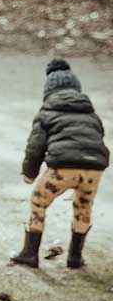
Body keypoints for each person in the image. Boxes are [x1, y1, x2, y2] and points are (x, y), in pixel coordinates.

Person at [12, 59, 108, 269]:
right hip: (94, 169)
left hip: (63, 168)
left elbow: (35, 147)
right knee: (83, 207)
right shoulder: (91, 114)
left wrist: (30, 173)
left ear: (48, 92)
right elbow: (98, 138)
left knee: (39, 201)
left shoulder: (46, 113)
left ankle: (30, 253)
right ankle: (75, 257)